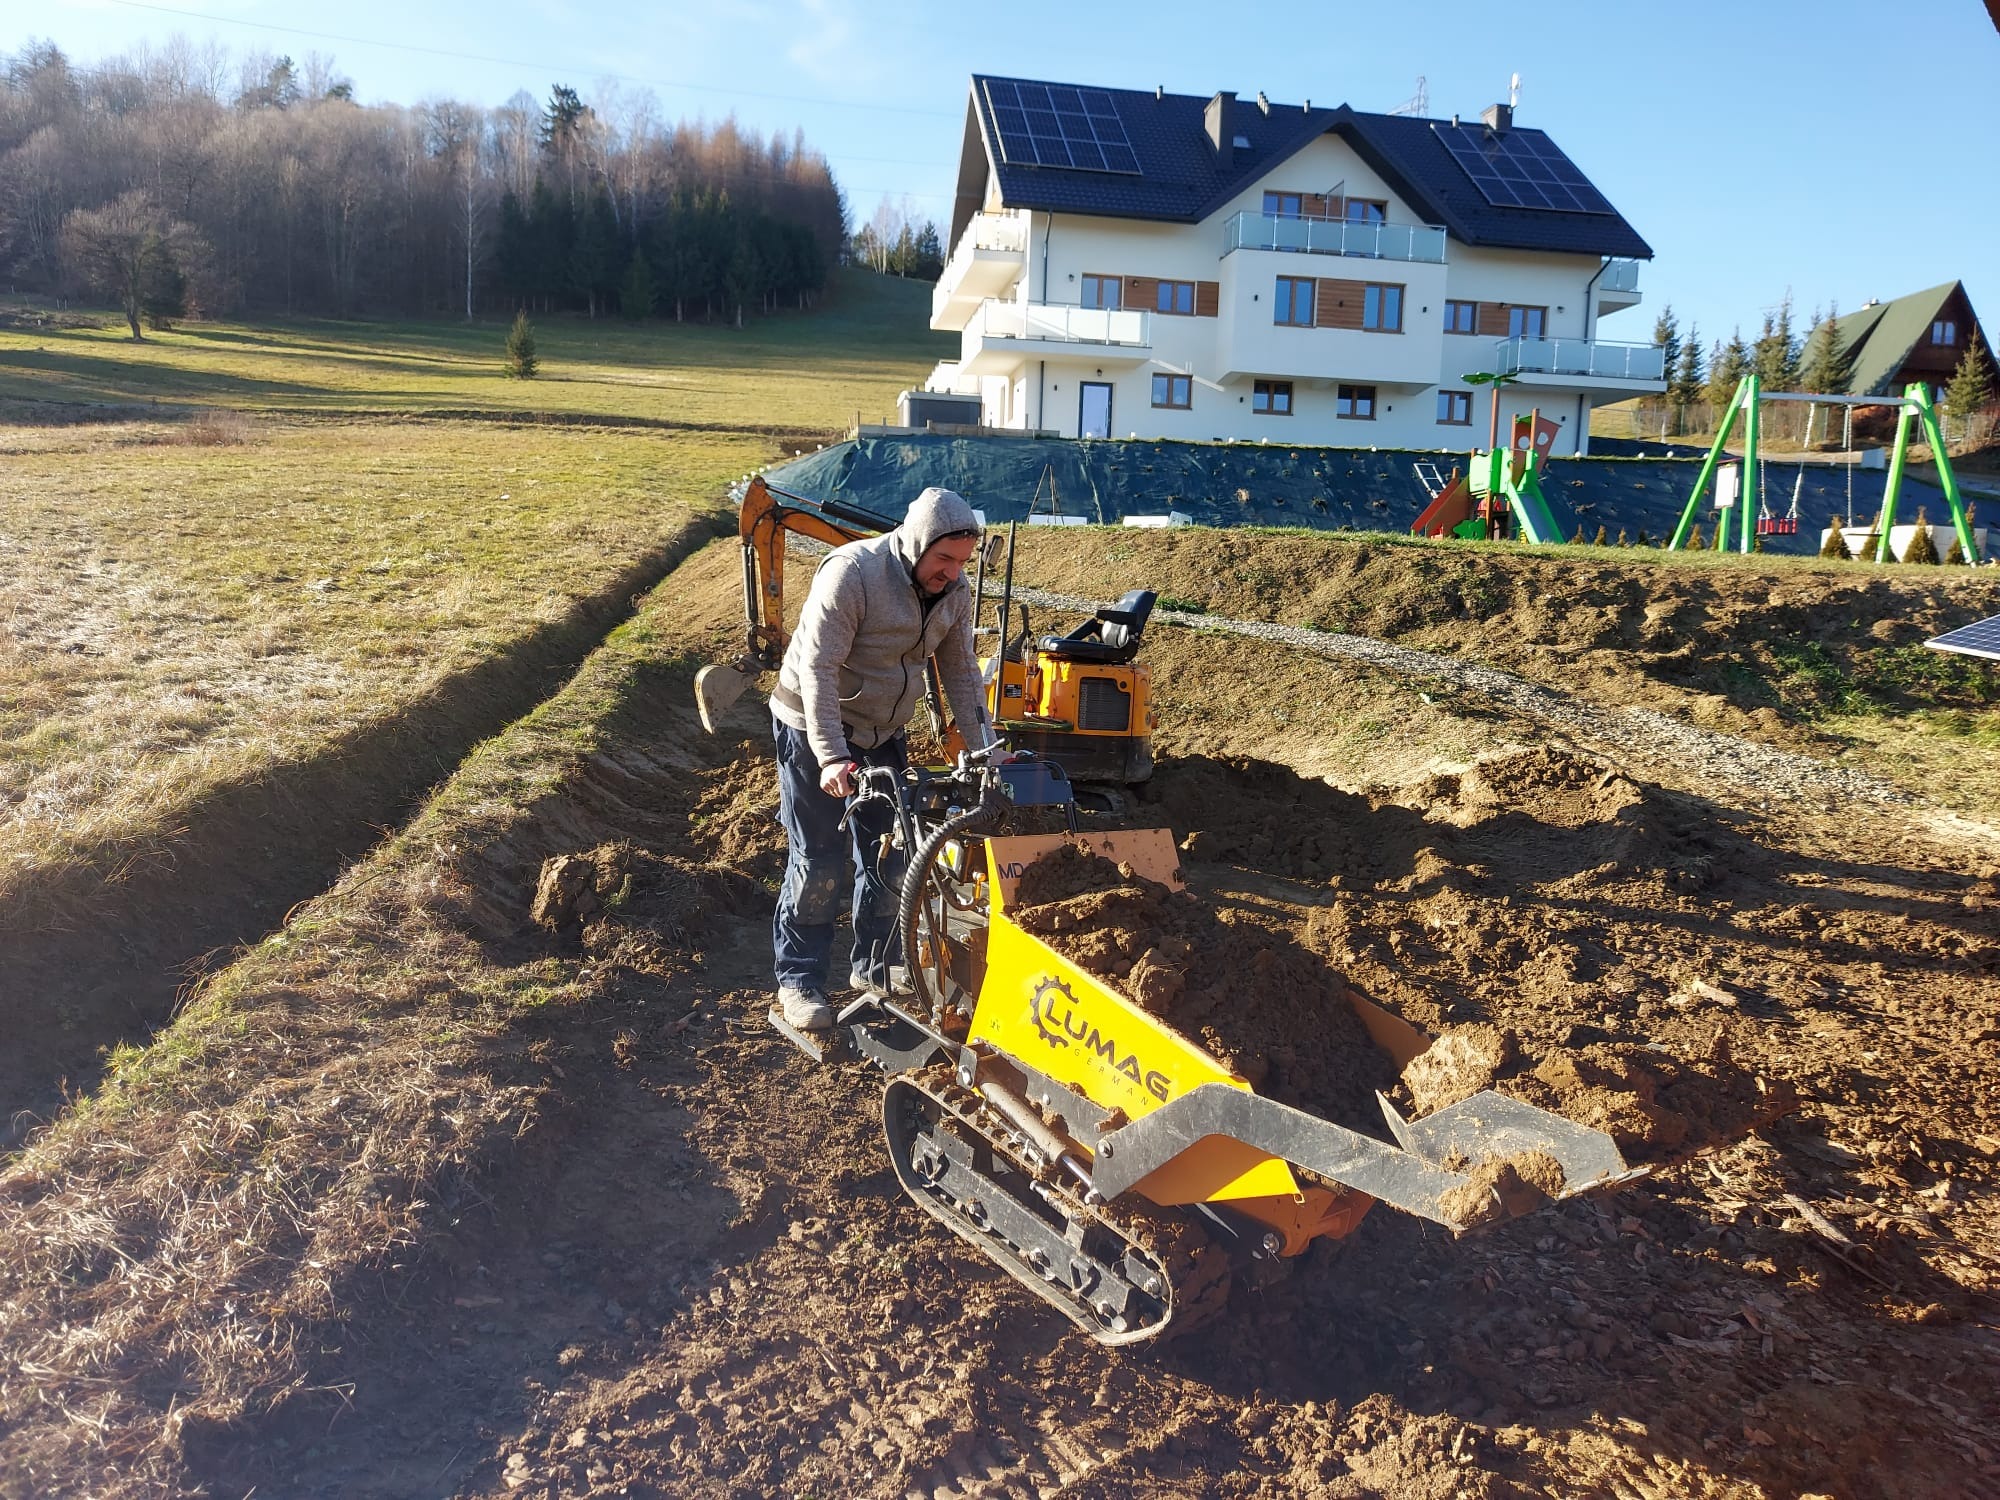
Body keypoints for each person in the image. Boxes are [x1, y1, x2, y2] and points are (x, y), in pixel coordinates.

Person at [768, 486, 995, 1031]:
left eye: (962, 562)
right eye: (944, 559)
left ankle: (872, 968)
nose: (952, 572)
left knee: (892, 855)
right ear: (917, 543)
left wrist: (986, 750)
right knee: (821, 861)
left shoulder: (954, 592)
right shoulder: (852, 574)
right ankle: (798, 981)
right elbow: (819, 670)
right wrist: (830, 757)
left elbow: (961, 672)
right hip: (813, 729)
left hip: (884, 729)